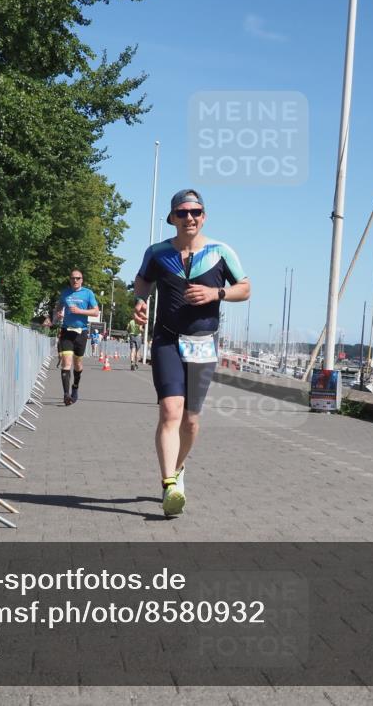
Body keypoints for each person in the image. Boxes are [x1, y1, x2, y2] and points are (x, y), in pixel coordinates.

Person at [133, 189, 250, 517]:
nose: (189, 218)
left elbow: (245, 288)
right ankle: (169, 484)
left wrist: (217, 293)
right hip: (167, 340)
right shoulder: (157, 253)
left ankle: (179, 467)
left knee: (191, 421)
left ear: (204, 216)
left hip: (203, 343)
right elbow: (142, 281)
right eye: (182, 212)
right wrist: (140, 300)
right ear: (172, 217)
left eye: (195, 212)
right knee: (170, 412)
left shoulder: (221, 251)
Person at [55, 270, 100, 405]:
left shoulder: (88, 293)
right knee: (66, 362)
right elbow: (59, 307)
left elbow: (96, 311)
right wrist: (58, 314)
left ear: (82, 280)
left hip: (81, 332)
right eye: (73, 278)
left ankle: (75, 387)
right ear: (70, 279)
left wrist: (80, 311)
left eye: (78, 278)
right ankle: (66, 395)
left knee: (78, 364)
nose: (75, 280)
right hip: (67, 331)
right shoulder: (65, 293)